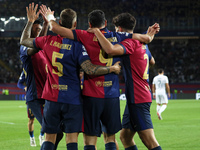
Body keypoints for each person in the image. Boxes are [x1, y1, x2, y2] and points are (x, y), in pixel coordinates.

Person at [44, 6, 154, 150]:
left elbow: (56, 29)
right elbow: (143, 38)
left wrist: (50, 18)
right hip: (112, 96)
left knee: (89, 140)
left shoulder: (85, 35)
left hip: (91, 95)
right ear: (106, 22)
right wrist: (150, 35)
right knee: (110, 138)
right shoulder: (118, 36)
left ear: (89, 24)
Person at [20, 3, 121, 150]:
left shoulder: (47, 41)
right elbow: (90, 69)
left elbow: (24, 41)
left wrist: (30, 21)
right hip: (72, 99)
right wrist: (111, 68)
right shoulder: (78, 46)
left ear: (59, 22)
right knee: (71, 139)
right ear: (75, 24)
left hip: (52, 97)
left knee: (49, 138)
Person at [87, 13, 162, 150]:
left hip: (138, 98)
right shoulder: (142, 43)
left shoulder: (129, 43)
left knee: (149, 141)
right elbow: (152, 62)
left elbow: (110, 49)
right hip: (139, 96)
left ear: (120, 29)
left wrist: (97, 32)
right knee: (125, 138)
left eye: (116, 29)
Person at [17, 71, 44, 146]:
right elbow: (19, 83)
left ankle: (41, 136)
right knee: (31, 120)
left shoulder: (41, 65)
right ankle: (32, 138)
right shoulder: (26, 70)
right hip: (32, 98)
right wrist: (24, 87)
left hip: (42, 97)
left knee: (43, 119)